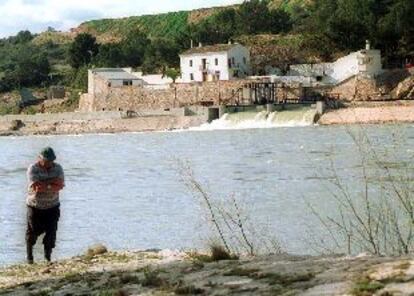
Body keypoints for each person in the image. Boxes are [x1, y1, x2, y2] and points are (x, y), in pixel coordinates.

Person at [26, 147, 65, 264]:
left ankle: (47, 258)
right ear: (40, 158)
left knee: (52, 232)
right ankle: (30, 258)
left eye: (51, 160)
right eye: (47, 160)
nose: (49, 163)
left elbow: (60, 185)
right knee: (33, 231)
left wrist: (46, 185)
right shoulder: (33, 168)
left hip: (53, 206)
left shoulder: (58, 168)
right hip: (34, 206)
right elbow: (37, 187)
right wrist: (52, 183)